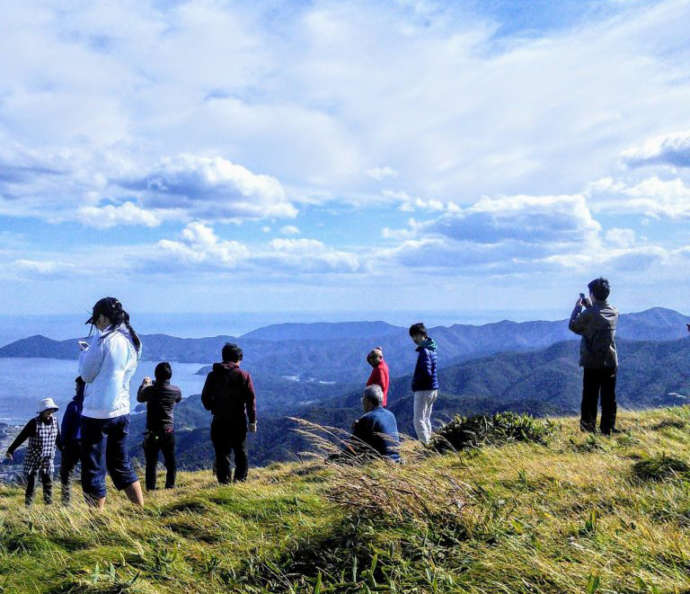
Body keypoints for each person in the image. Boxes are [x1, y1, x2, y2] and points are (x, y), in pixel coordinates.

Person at [79, 297, 144, 508]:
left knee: (94, 468)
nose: (96, 324)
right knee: (120, 463)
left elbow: (87, 375)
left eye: (96, 320)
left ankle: (96, 521)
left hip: (97, 413)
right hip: (121, 410)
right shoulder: (133, 340)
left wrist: (84, 354)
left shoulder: (103, 341)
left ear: (103, 317)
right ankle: (140, 509)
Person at [568, 278, 619, 435]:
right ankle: (608, 428)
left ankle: (588, 428)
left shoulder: (589, 314)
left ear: (592, 293)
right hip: (610, 361)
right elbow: (598, 318)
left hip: (592, 362)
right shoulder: (614, 312)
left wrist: (577, 309)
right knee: (609, 398)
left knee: (590, 397)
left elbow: (574, 326)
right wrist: (591, 306)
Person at [201, 343, 257, 484]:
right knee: (240, 453)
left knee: (222, 454)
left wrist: (214, 407)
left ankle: (224, 485)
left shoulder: (212, 375)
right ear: (239, 358)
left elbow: (205, 398)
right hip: (238, 420)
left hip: (219, 420)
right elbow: (250, 400)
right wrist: (252, 421)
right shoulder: (243, 376)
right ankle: (240, 483)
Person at [5, 398, 60, 506]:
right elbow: (21, 437)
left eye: (51, 410)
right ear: (42, 411)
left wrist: (65, 450)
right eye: (48, 410)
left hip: (48, 459)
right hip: (34, 459)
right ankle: (28, 507)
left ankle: (49, 507)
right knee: (32, 485)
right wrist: (10, 450)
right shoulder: (34, 423)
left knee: (48, 484)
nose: (50, 412)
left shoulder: (55, 422)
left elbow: (58, 439)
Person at [137, 362, 182, 490]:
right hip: (168, 430)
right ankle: (170, 485)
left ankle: (151, 488)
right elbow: (178, 399)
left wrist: (144, 384)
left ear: (156, 375)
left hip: (153, 432)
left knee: (151, 462)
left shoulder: (150, 390)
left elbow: (140, 398)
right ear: (170, 375)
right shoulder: (176, 390)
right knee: (170, 460)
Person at [350, 385, 400, 462]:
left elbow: (354, 448)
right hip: (396, 460)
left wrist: (355, 429)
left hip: (380, 463)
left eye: (363, 399)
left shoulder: (368, 418)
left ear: (367, 401)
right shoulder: (390, 415)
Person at [409, 322, 439, 445]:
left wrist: (416, 382)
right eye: (413, 337)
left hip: (424, 389)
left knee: (418, 420)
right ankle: (430, 443)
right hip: (433, 389)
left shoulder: (424, 351)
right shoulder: (432, 348)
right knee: (426, 418)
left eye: (415, 336)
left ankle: (425, 446)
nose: (414, 339)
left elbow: (426, 372)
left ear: (422, 335)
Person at [57, 377, 85, 505]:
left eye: (77, 386)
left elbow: (66, 425)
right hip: (89, 444)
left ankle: (66, 502)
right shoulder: (94, 405)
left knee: (66, 473)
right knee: (89, 472)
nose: (75, 389)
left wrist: (63, 444)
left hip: (73, 444)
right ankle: (90, 500)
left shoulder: (73, 405)